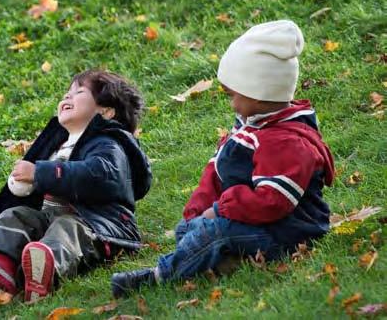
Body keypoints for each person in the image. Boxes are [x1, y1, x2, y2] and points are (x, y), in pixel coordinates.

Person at [111, 20, 335, 297]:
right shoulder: (251, 123)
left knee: (214, 233)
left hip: (288, 232)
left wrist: (219, 210)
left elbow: (272, 202)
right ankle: (226, 261)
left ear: (260, 92)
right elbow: (217, 170)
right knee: (189, 229)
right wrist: (198, 209)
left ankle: (158, 277)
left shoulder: (285, 142)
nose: (231, 104)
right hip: (251, 220)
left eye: (233, 95)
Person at [0, 70, 152, 302]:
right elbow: (45, 185)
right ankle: (0, 267)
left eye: (78, 92)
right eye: (67, 93)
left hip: (100, 228)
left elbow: (97, 175)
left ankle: (45, 271)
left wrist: (40, 172)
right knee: (15, 215)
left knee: (67, 227)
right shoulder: (59, 144)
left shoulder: (108, 143)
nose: (67, 98)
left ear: (105, 112)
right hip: (51, 218)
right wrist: (24, 183)